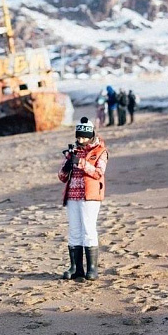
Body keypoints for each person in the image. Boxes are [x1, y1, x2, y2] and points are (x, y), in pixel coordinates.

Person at [58, 117, 108, 282]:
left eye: (84, 137)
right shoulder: (73, 151)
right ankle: (76, 267)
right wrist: (66, 165)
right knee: (74, 231)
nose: (80, 140)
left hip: (90, 197)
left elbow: (98, 173)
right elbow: (61, 176)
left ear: (91, 135)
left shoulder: (100, 151)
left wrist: (80, 163)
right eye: (78, 137)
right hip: (72, 195)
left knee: (88, 229)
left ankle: (92, 268)